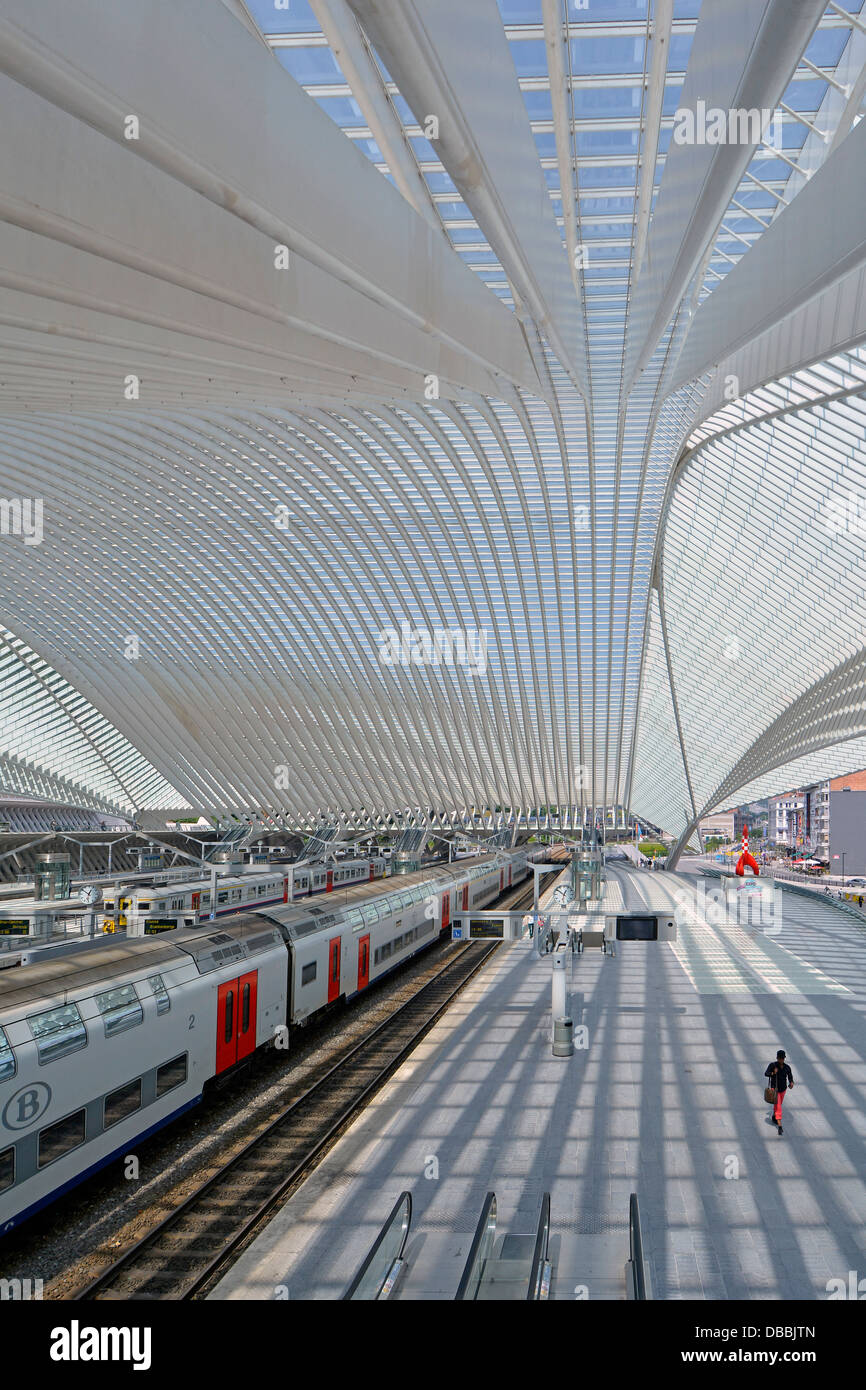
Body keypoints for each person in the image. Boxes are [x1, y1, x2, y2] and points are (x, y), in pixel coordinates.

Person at [765, 1049, 794, 1134]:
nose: (781, 1060)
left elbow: (790, 1077)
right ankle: (780, 1126)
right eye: (779, 1058)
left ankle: (774, 1116)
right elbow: (766, 1073)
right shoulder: (772, 1065)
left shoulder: (787, 1067)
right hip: (775, 1089)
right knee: (778, 1106)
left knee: (778, 1104)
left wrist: (791, 1082)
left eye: (782, 1058)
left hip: (783, 1089)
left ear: (784, 1058)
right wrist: (773, 1073)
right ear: (777, 1058)